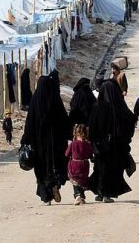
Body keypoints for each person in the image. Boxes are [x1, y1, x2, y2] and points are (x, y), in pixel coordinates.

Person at [20, 71, 72, 205]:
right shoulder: (55, 102)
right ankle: (55, 185)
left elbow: (29, 125)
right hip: (56, 144)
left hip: (39, 146)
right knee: (56, 166)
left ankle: (46, 196)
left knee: (41, 169)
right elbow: (65, 122)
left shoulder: (35, 104)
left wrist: (25, 141)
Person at [88, 79, 136, 203]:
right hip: (116, 146)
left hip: (100, 147)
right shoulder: (120, 107)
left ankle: (100, 192)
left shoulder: (97, 107)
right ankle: (106, 194)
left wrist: (93, 143)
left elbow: (92, 128)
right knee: (112, 170)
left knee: (100, 169)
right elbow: (131, 120)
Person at [65, 124, 93, 206]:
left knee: (75, 180)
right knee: (82, 180)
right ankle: (82, 196)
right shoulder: (88, 144)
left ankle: (78, 195)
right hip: (84, 164)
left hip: (74, 163)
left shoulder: (73, 144)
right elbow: (90, 155)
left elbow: (66, 154)